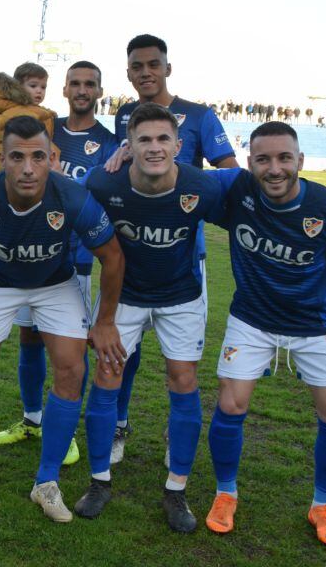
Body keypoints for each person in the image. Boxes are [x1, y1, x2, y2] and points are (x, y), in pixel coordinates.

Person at [0, 116, 123, 521]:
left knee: (72, 371)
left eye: (38, 157)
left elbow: (112, 256)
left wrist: (105, 321)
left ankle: (47, 481)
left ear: (52, 158)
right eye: (17, 157)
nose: (28, 168)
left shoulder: (72, 197)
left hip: (55, 284)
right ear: (1, 158)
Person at [202, 121, 326, 549]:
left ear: (300, 160)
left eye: (283, 158)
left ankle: (323, 505)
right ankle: (226, 494)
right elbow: (178, 179)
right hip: (252, 319)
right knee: (230, 402)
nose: (274, 169)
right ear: (250, 163)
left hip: (315, 324)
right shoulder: (235, 192)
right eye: (263, 159)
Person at [76, 102, 225, 533]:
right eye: (144, 140)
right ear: (129, 145)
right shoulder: (105, 181)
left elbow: (250, 197)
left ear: (179, 145)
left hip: (181, 296)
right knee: (107, 378)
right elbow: (72, 211)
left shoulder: (202, 186)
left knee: (183, 380)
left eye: (163, 139)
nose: (154, 148)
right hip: (125, 296)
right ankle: (99, 482)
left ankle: (176, 490)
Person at [106, 34, 238, 466]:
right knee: (123, 354)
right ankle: (118, 426)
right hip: (130, 253)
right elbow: (119, 171)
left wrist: (188, 190)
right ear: (128, 72)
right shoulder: (125, 114)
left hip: (183, 252)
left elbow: (230, 174)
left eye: (153, 64)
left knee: (179, 362)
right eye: (137, 66)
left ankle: (174, 432)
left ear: (167, 67)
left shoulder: (199, 116)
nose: (145, 72)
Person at [0, 61, 118, 468]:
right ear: (63, 89)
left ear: (99, 91)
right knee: (29, 339)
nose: (81, 91)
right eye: (74, 84)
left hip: (73, 261)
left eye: (89, 85)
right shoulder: (44, 125)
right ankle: (32, 418)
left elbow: (104, 199)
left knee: (68, 353)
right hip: (28, 256)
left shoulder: (110, 142)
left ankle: (67, 432)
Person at [0, 64, 56, 170]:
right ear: (18, 88)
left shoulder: (35, 110)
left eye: (43, 87)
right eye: (33, 86)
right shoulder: (14, 111)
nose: (39, 90)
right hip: (15, 173)